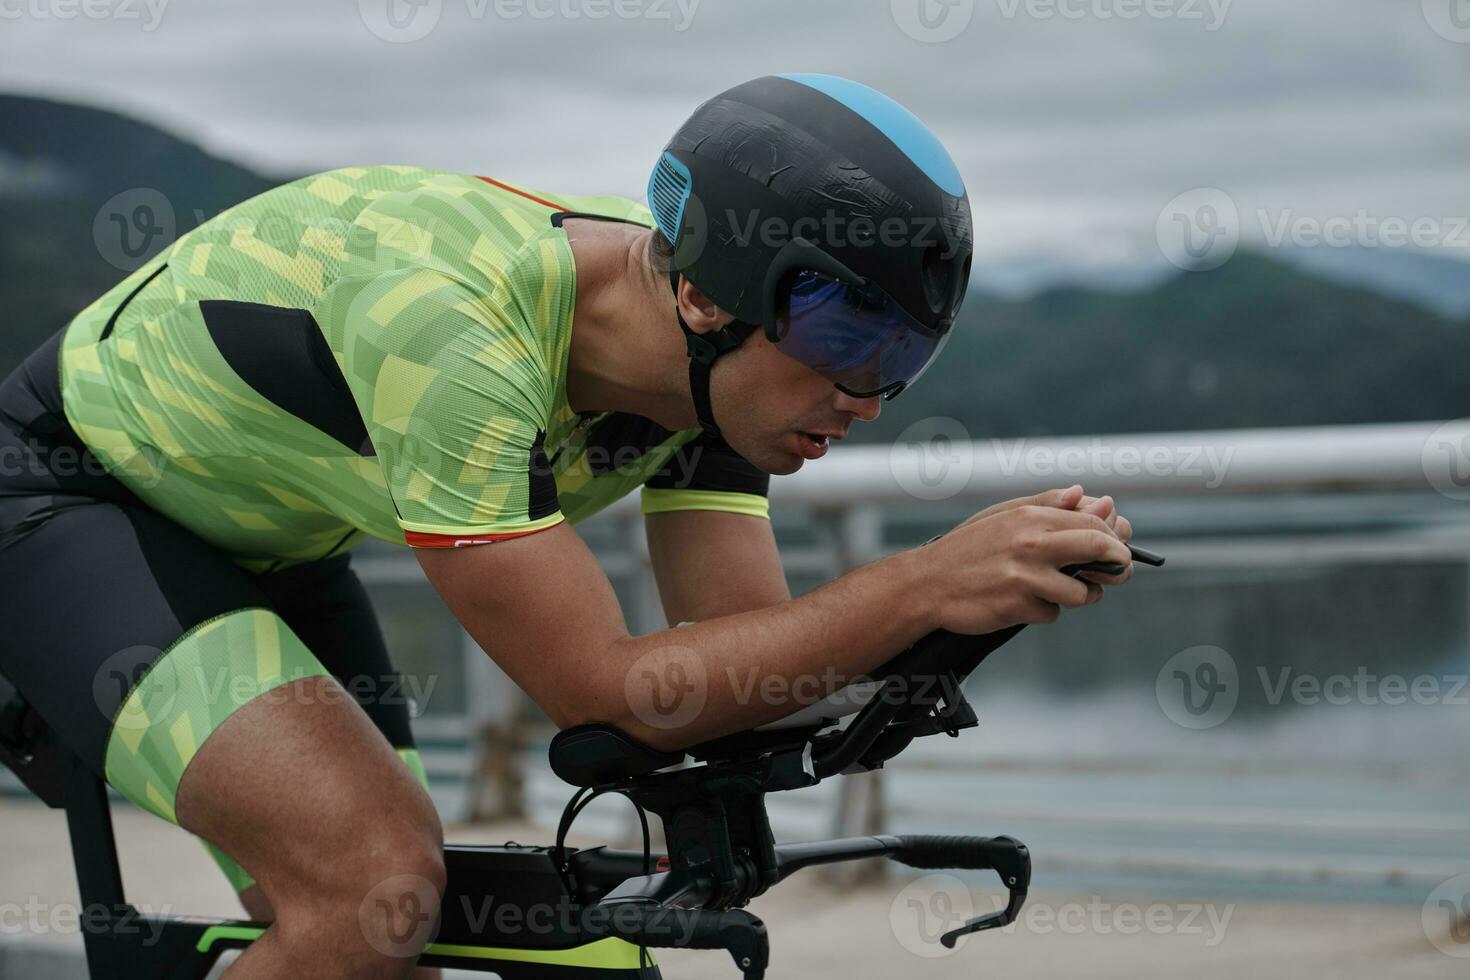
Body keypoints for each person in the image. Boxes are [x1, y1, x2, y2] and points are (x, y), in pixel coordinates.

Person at [0, 74, 1133, 978]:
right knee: (365, 890)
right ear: (703, 296)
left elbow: (735, 658)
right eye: (848, 342)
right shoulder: (460, 342)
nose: (869, 397)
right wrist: (923, 581)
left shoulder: (719, 375)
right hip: (68, 499)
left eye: (904, 356)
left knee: (390, 941)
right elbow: (603, 691)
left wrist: (956, 625)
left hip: (275, 534)